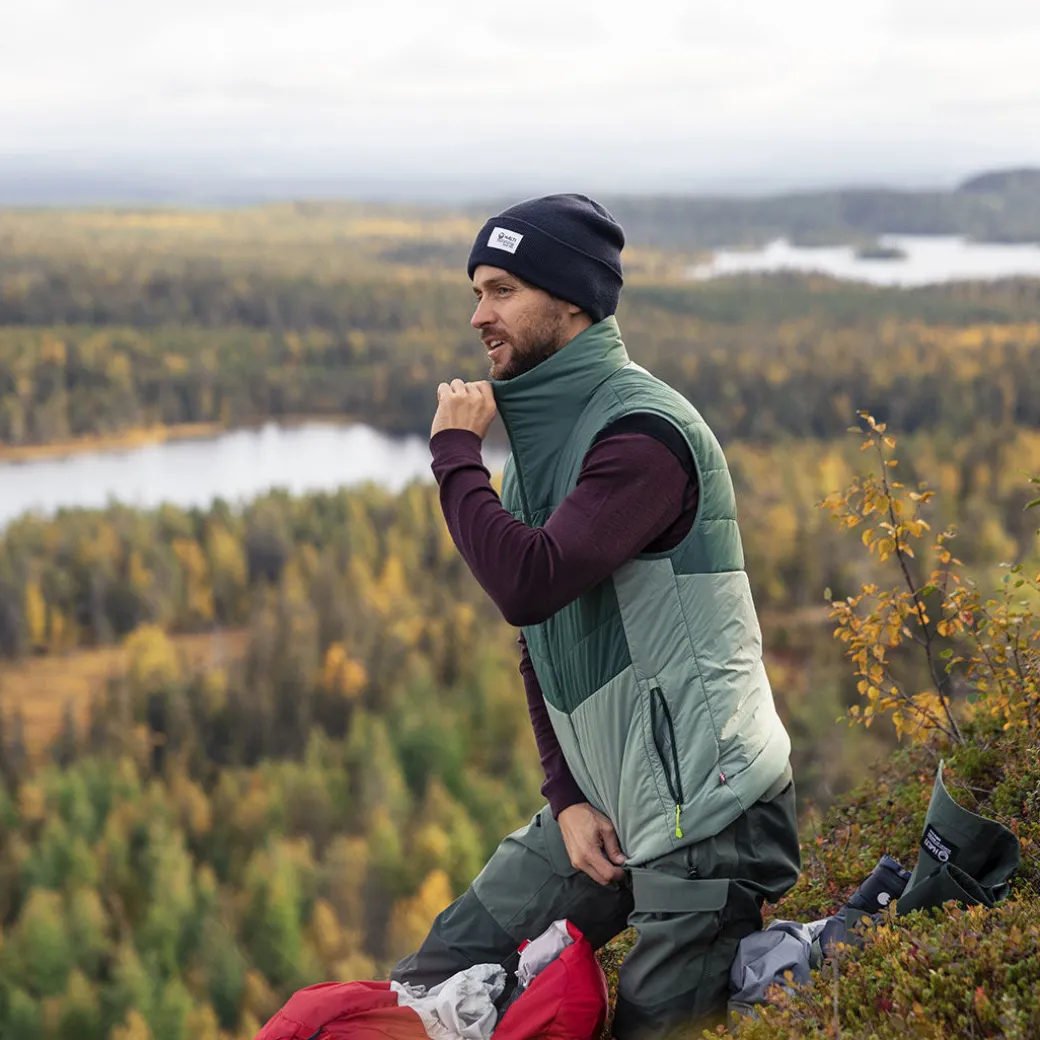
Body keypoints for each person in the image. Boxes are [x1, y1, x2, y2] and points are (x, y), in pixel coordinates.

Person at [390, 194, 801, 1038]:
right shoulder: (547, 456)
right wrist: (568, 796)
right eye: (476, 293)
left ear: (570, 299)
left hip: (709, 812)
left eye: (501, 290)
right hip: (608, 804)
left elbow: (528, 583)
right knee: (428, 982)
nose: (478, 315)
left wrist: (454, 456)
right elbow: (539, 643)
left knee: (652, 1028)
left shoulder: (642, 436)